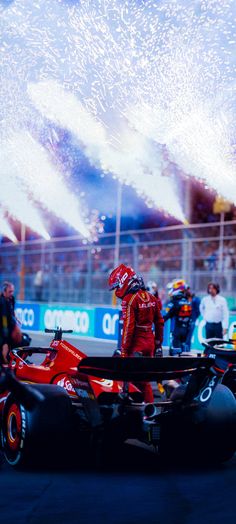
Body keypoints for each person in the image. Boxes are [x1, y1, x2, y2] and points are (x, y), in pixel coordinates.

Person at [108, 264, 164, 403]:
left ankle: (133, 412)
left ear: (124, 281)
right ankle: (149, 411)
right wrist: (158, 343)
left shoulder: (129, 299)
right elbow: (160, 322)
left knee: (129, 378)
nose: (116, 290)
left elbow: (128, 328)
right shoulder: (151, 297)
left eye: (117, 286)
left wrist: (124, 350)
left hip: (136, 344)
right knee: (144, 381)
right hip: (150, 342)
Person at [163, 279, 192, 355]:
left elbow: (165, 316)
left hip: (177, 330)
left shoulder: (174, 302)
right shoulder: (187, 302)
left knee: (175, 351)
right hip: (186, 329)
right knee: (184, 350)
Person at [0, 282, 21, 365]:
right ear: (4, 291)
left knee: (22, 340)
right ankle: (5, 359)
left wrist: (16, 318)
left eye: (12, 291)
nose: (12, 293)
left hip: (9, 325)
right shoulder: (2, 301)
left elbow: (12, 311)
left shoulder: (12, 299)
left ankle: (14, 359)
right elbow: (4, 317)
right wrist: (5, 331)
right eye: (10, 291)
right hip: (3, 326)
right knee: (5, 341)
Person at [185, 286, 201, 351]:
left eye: (188, 289)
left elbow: (198, 311)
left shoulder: (195, 299)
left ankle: (187, 351)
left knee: (188, 338)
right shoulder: (184, 299)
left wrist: (193, 318)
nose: (188, 291)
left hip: (191, 321)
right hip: (184, 322)